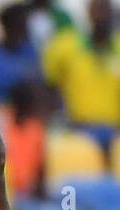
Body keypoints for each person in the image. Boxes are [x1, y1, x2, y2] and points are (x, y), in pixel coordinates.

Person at [42, 0, 120, 162]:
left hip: (116, 132)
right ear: (88, 13)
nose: (102, 16)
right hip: (80, 130)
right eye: (97, 11)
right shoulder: (66, 45)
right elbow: (48, 84)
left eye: (106, 11)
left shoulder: (118, 47)